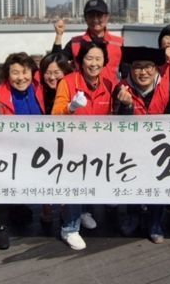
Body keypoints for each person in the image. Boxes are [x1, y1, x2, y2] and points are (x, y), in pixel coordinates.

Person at [52, 41, 114, 250]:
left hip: (98, 145)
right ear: (80, 61)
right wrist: (70, 107)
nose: (94, 63)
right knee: (74, 183)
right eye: (89, 58)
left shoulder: (108, 83)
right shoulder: (68, 82)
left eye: (98, 58)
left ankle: (83, 212)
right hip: (72, 146)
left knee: (90, 180)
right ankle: (69, 228)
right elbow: (55, 114)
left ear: (104, 61)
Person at [113, 46, 170, 244]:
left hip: (160, 147)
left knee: (159, 183)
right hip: (131, 147)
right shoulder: (121, 89)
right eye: (137, 67)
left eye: (148, 66)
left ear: (156, 68)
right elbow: (118, 125)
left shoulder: (168, 88)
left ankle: (155, 222)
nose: (143, 72)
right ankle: (132, 216)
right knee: (131, 181)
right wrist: (127, 106)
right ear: (130, 69)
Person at [0, 52, 45, 250]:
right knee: (6, 184)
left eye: (25, 72)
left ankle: (18, 206)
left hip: (34, 147)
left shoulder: (38, 88)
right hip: (7, 150)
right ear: (7, 74)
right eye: (15, 73)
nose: (21, 77)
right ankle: (0, 226)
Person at [36, 53, 73, 229]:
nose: (52, 77)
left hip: (68, 142)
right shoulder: (37, 91)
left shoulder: (72, 90)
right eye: (47, 73)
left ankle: (68, 211)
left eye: (57, 73)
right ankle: (47, 210)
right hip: (43, 142)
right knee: (44, 174)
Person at [51, 0, 124, 83]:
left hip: (111, 90)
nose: (95, 20)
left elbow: (126, 72)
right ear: (85, 18)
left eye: (99, 15)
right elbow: (55, 62)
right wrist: (59, 35)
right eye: (91, 16)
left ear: (107, 17)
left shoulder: (119, 43)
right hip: (81, 90)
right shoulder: (75, 43)